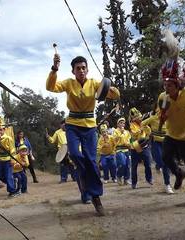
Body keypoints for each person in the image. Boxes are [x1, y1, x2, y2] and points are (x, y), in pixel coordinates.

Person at [46, 54, 120, 216]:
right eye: (78, 68)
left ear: (87, 69)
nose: (81, 70)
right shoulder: (68, 83)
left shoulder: (94, 83)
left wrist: (109, 86)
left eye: (83, 68)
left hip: (90, 126)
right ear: (73, 71)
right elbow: (50, 87)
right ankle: (86, 185)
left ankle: (95, 197)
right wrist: (54, 69)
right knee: (75, 154)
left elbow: (114, 95)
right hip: (72, 125)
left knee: (92, 161)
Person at [158, 59, 185, 208]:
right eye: (165, 85)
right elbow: (160, 115)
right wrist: (161, 117)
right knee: (165, 156)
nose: (166, 87)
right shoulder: (163, 97)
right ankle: (178, 173)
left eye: (169, 85)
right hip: (171, 134)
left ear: (177, 85)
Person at [144, 108, 174, 194]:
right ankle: (158, 165)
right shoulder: (153, 118)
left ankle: (167, 185)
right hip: (156, 142)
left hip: (166, 142)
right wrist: (149, 132)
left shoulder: (169, 117)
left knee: (166, 163)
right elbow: (142, 124)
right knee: (161, 162)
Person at [0, 116, 18, 198]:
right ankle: (12, 183)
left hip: (8, 160)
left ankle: (12, 191)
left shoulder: (8, 138)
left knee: (8, 176)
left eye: (1, 130)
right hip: (0, 160)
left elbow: (13, 150)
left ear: (4, 130)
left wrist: (13, 160)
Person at [128, 107, 153, 189]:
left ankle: (149, 179)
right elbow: (134, 134)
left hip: (144, 146)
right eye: (137, 118)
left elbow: (149, 132)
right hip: (134, 147)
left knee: (148, 163)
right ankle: (134, 183)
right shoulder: (132, 125)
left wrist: (145, 128)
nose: (139, 119)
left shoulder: (144, 123)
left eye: (139, 117)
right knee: (134, 166)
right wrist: (140, 130)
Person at [113, 117, 131, 185]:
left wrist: (130, 144)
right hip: (119, 149)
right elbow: (115, 140)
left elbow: (129, 140)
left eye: (123, 123)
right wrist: (121, 133)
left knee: (128, 165)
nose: (122, 124)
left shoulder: (127, 132)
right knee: (122, 164)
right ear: (118, 124)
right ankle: (119, 176)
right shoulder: (115, 131)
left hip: (126, 149)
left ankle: (126, 179)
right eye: (121, 123)